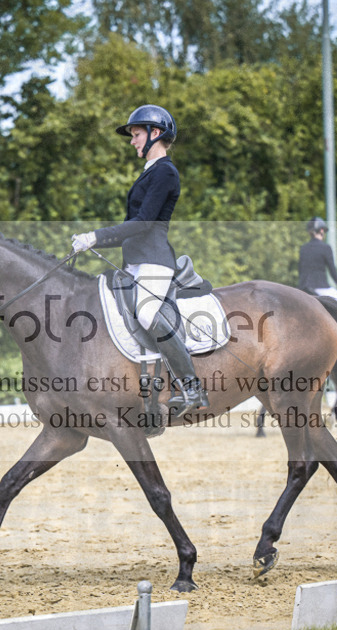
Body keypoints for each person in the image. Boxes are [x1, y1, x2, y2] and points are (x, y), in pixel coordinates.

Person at [71, 104, 206, 417]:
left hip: (154, 261)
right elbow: (129, 228)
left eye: (136, 135)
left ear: (155, 133)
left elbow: (144, 223)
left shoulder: (165, 172)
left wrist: (96, 236)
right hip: (134, 262)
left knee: (146, 314)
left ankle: (191, 386)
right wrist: (93, 241)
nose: (132, 141)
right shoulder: (149, 172)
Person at [298, 217, 337, 325]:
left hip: (303, 289)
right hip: (321, 287)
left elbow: (301, 270)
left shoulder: (303, 248)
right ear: (321, 230)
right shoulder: (325, 247)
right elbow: (332, 269)